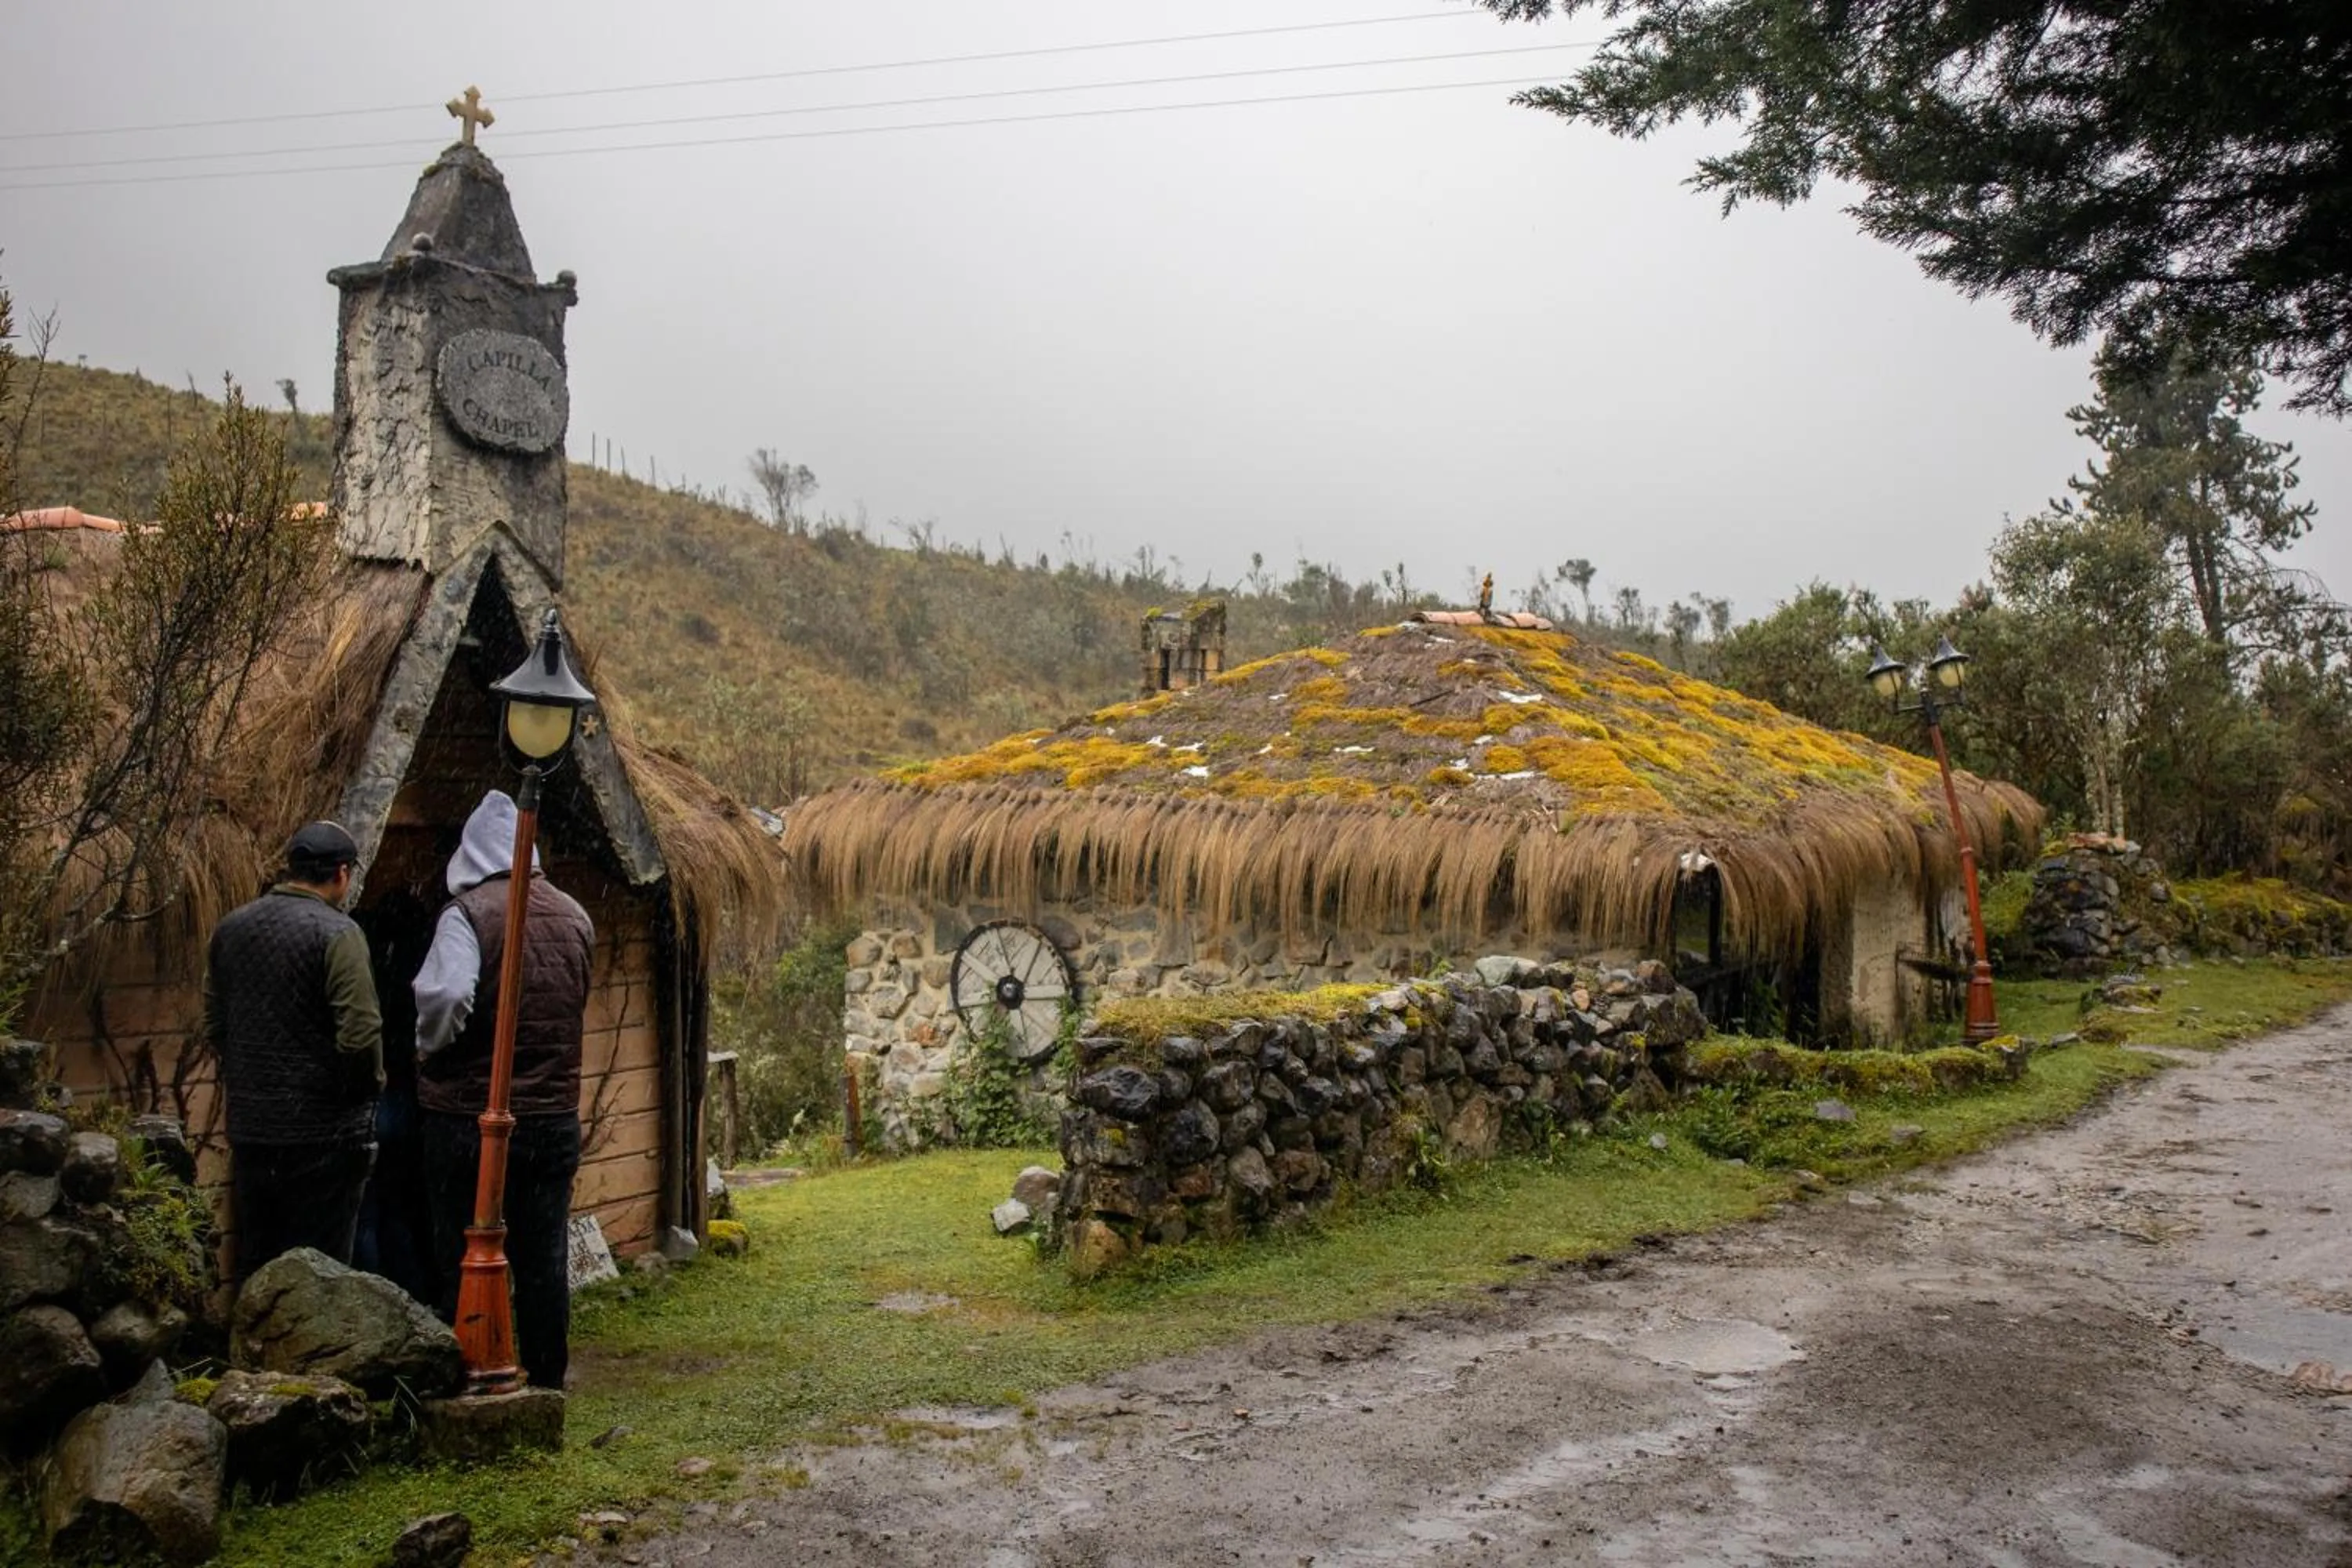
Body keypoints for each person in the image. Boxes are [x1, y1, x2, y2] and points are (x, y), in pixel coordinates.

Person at [414, 789, 593, 1390]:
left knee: (460, 1249)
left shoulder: (466, 915)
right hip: (553, 1117)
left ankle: (468, 1368)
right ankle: (546, 1375)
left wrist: (431, 1047)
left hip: (469, 1119)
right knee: (543, 1257)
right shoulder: (574, 916)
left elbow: (445, 996)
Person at [204, 821, 384, 1284]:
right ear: (342, 874)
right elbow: (360, 1035)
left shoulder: (232, 927)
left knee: (259, 1255)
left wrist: (253, 1077)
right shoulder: (339, 934)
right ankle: (317, 1357)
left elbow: (216, 1023)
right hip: (325, 1134)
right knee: (322, 1268)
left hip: (252, 1127)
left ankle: (252, 1353)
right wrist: (360, 1093)